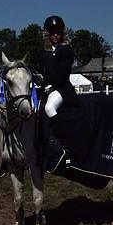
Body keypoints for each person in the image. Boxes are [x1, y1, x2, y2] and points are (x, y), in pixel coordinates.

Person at [40, 15, 78, 172]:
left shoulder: (66, 50)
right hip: (47, 87)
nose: (55, 35)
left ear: (62, 34)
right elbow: (42, 70)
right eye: (52, 32)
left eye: (58, 32)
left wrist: (44, 80)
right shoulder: (44, 52)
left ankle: (64, 144)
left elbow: (62, 75)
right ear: (48, 34)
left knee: (49, 108)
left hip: (62, 88)